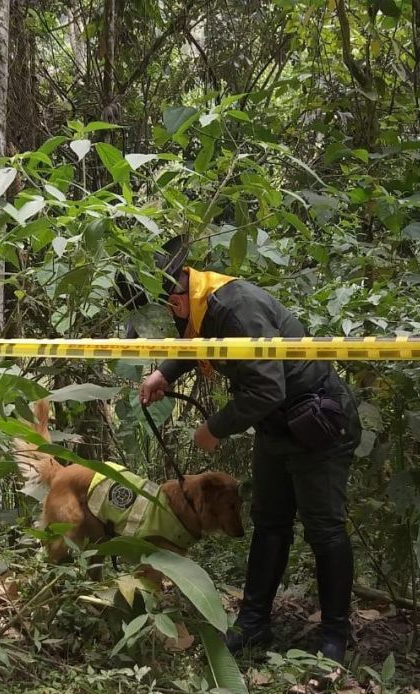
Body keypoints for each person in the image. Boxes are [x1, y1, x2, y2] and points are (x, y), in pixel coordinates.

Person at [118, 236, 362, 661]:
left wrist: (215, 428)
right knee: (270, 522)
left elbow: (268, 386)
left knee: (324, 529)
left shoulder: (234, 309)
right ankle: (254, 623)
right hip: (277, 427)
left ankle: (334, 637)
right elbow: (201, 343)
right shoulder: (201, 307)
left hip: (318, 424)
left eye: (160, 322)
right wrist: (166, 373)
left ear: (174, 300)